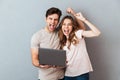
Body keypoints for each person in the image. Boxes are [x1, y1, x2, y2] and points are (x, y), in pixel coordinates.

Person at [58, 8, 101, 80]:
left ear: (73, 27)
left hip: (81, 73)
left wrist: (84, 20)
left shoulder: (77, 34)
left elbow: (97, 33)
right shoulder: (62, 40)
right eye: (64, 24)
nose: (66, 26)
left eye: (69, 25)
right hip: (68, 74)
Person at [30, 7, 64, 80]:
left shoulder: (61, 32)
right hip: (45, 78)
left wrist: (74, 15)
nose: (52, 22)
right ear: (46, 19)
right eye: (50, 19)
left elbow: (80, 29)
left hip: (61, 77)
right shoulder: (37, 36)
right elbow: (34, 60)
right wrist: (41, 65)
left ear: (58, 21)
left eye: (55, 20)